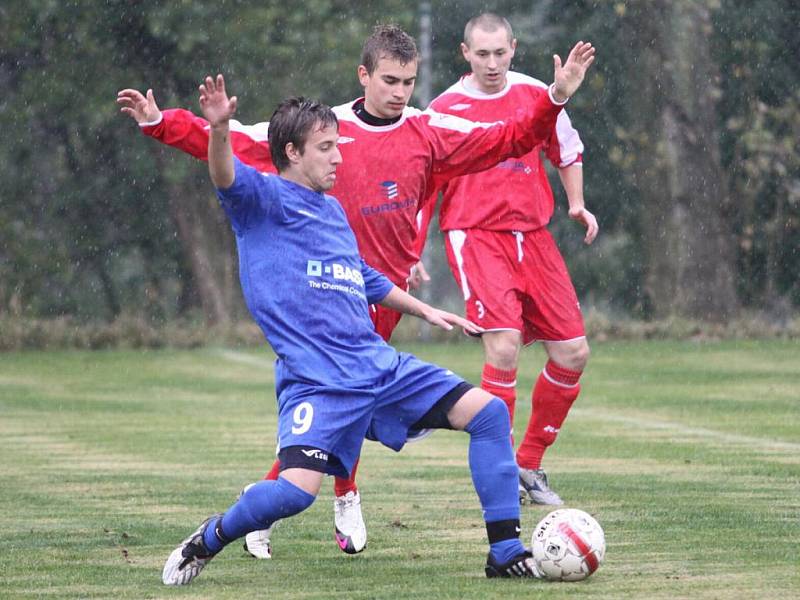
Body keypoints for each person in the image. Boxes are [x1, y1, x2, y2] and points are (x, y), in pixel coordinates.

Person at [117, 24, 594, 558]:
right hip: (326, 300)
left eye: (409, 82)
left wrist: (553, 99)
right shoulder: (326, 133)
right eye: (389, 80)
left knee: (367, 407)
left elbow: (508, 138)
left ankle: (326, 496)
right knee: (331, 412)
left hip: (379, 296)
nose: (399, 92)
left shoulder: (427, 131)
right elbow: (239, 143)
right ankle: (305, 499)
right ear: (363, 75)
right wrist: (163, 124)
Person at [426, 14, 599, 506]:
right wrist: (412, 252)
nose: (492, 63)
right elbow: (427, 184)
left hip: (534, 236)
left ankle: (529, 464)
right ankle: (500, 475)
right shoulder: (444, 109)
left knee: (573, 353)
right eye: (482, 54)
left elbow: (566, 149)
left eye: (500, 53)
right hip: (475, 234)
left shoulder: (536, 93)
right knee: (503, 348)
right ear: (465, 54)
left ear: (514, 48)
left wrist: (577, 203)